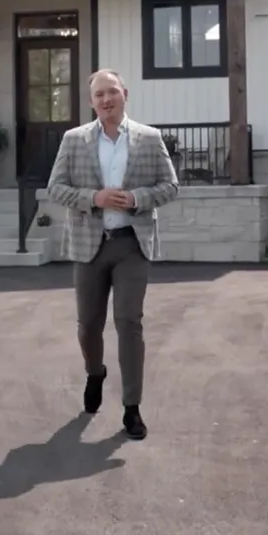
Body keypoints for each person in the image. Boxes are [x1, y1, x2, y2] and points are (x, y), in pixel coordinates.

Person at [46, 69, 179, 440]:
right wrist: (93, 198)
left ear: (125, 94)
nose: (106, 100)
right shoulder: (74, 141)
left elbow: (170, 186)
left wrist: (138, 199)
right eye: (99, 95)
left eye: (112, 93)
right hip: (90, 243)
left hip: (131, 244)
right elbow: (55, 188)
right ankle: (95, 373)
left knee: (128, 323)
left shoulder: (149, 139)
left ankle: (132, 408)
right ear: (92, 102)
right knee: (88, 324)